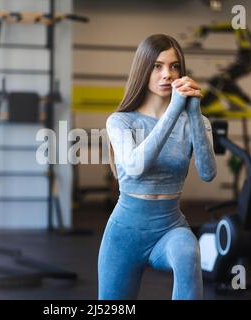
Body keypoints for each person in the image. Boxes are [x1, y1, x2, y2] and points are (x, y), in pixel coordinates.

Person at [100, 34, 217, 300]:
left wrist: (195, 114)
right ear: (143, 69)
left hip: (170, 227)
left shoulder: (195, 121)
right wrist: (175, 110)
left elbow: (209, 173)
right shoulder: (120, 121)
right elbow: (135, 166)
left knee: (189, 252)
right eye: (157, 66)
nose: (167, 74)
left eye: (174, 66)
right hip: (124, 234)